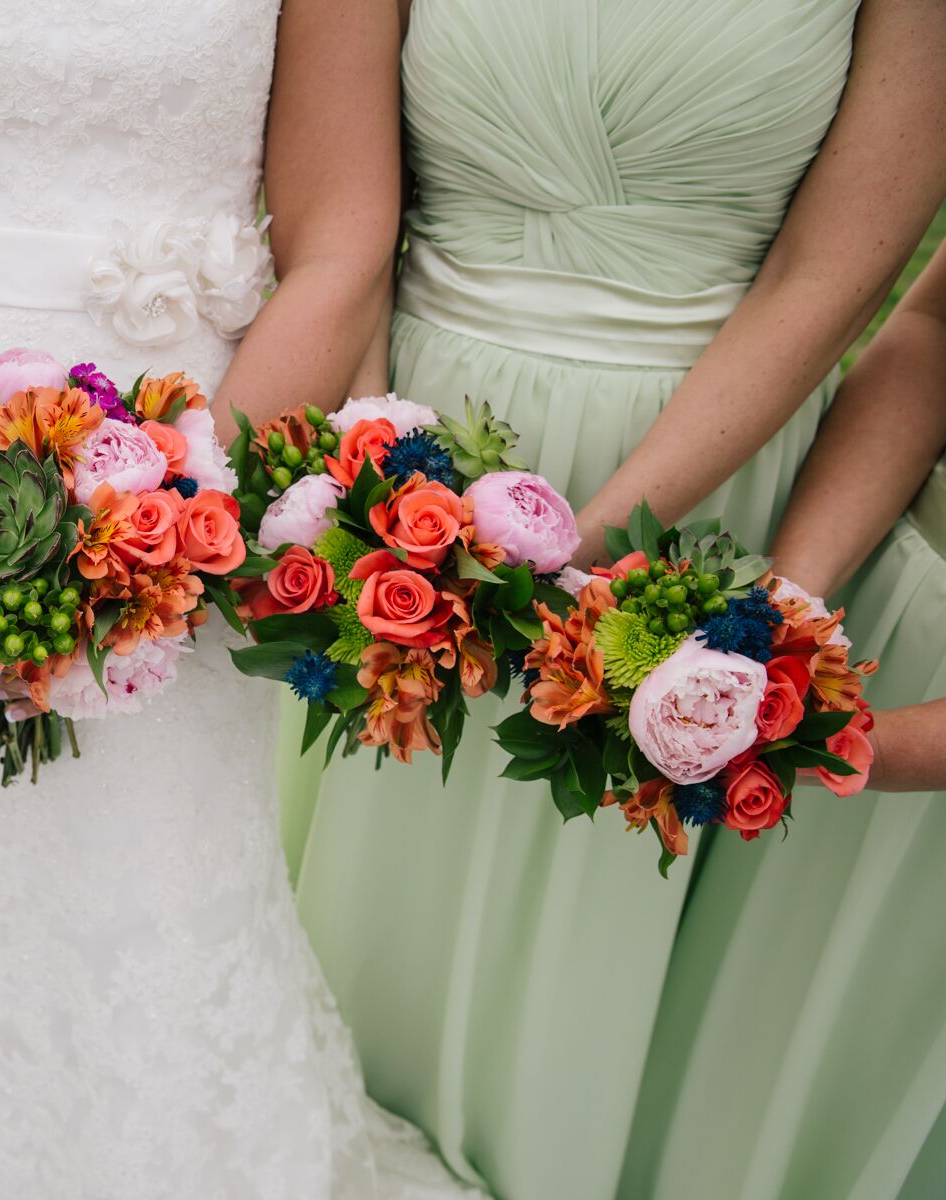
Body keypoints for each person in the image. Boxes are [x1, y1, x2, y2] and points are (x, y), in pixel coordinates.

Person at [0, 1, 485, 1196]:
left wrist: (185, 519)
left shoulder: (190, 495)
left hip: (191, 437)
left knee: (175, 845)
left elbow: (345, 232)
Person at [286, 1, 946, 1196]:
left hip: (705, 478)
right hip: (417, 439)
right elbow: (347, 216)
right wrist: (380, 469)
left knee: (578, 923)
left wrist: (583, 557)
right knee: (346, 874)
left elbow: (832, 280)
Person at [623, 244, 946, 1200]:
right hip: (883, 614)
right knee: (725, 1031)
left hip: (911, 750)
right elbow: (930, 333)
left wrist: (850, 748)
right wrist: (777, 620)